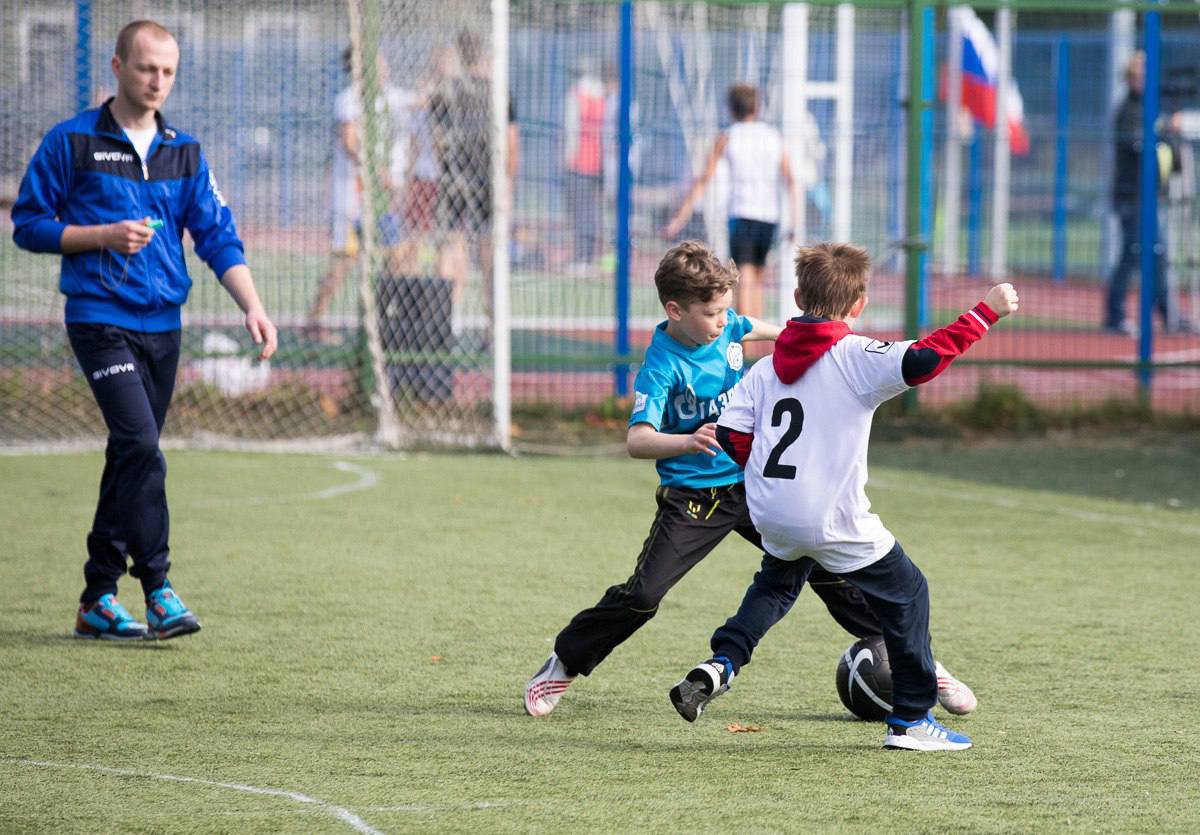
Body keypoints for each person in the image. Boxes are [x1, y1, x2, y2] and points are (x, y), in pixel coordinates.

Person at [522, 240, 977, 718]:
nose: (723, 321)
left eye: (725, 311)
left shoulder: (728, 328)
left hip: (758, 485)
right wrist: (688, 441)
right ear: (675, 310)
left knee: (835, 573)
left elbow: (772, 332)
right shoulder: (662, 367)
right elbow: (638, 440)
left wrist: (809, 338)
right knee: (644, 594)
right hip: (696, 497)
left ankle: (922, 664)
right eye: (711, 313)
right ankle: (565, 662)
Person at [674, 242, 1017, 751]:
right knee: (909, 592)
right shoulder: (854, 356)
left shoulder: (765, 369)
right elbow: (925, 358)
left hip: (771, 509)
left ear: (795, 296)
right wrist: (985, 311)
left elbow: (731, 434)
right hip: (830, 516)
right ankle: (912, 720)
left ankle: (720, 663)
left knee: (776, 585)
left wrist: (770, 479)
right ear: (858, 305)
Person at [11, 20, 278, 641]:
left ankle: (97, 596)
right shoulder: (71, 142)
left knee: (130, 454)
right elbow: (28, 224)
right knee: (141, 445)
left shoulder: (184, 150)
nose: (157, 81)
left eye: (168, 71)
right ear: (117, 67)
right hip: (99, 320)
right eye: (145, 68)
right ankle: (157, 587)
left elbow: (215, 235)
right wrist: (99, 236)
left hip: (165, 327)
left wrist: (253, 306)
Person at [664, 84, 801, 321]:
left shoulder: (728, 137)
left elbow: (705, 177)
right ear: (757, 107)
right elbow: (791, 180)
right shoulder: (773, 137)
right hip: (769, 217)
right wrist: (794, 221)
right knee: (757, 278)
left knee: (744, 277)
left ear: (730, 109)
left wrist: (680, 217)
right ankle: (754, 342)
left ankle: (744, 346)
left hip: (742, 213)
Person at [307, 49, 413, 342]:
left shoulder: (385, 97)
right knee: (343, 264)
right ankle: (314, 321)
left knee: (400, 255)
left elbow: (418, 100)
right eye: (378, 61)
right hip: (350, 200)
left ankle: (387, 319)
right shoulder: (349, 99)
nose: (385, 66)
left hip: (375, 202)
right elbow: (349, 142)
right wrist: (379, 173)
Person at [429, 30, 519, 316]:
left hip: (455, 178)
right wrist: (507, 182)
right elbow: (512, 143)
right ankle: (492, 326)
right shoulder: (499, 93)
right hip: (487, 180)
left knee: (451, 246)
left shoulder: (446, 91)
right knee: (488, 252)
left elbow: (438, 142)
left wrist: (450, 168)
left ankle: (447, 320)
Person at [1106, 50, 1188, 336]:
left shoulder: (1154, 111)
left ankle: (1169, 316)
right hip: (1131, 198)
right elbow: (1139, 146)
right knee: (1134, 256)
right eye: (1139, 75)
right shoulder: (1128, 111)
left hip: (1149, 199)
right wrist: (1165, 130)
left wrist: (1170, 131)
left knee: (1157, 255)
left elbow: (1171, 157)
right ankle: (1116, 317)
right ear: (1130, 79)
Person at [563, 58, 606, 272]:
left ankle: (581, 258)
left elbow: (572, 129)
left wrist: (568, 156)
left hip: (579, 161)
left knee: (580, 212)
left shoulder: (576, 96)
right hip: (597, 162)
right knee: (590, 212)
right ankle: (588, 257)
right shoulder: (601, 97)